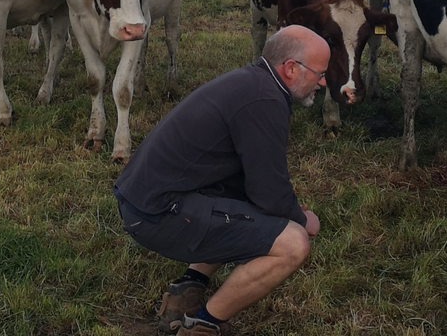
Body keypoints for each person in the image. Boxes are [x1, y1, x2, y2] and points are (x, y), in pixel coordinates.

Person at [114, 25, 326, 336]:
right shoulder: (264, 100)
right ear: (291, 69)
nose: (323, 81)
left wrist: (283, 209)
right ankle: (204, 325)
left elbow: (255, 184)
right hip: (155, 213)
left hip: (145, 200)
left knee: (247, 204)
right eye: (319, 73)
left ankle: (185, 294)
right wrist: (301, 218)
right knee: (293, 243)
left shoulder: (253, 83)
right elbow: (270, 193)